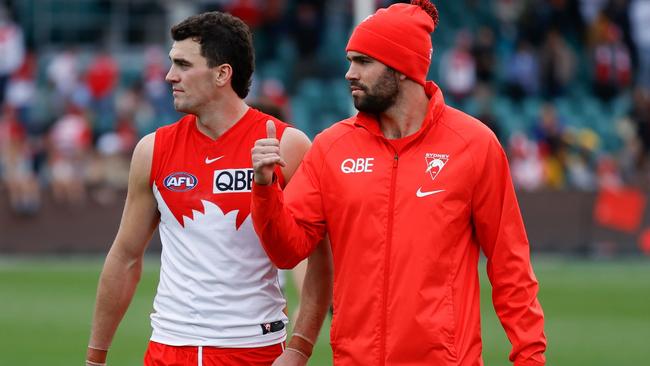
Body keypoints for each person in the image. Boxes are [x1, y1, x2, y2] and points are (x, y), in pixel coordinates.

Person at [250, 1, 547, 365]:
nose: (349, 73)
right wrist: (265, 189)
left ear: (403, 68)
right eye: (349, 61)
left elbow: (509, 266)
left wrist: (530, 358)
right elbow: (286, 250)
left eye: (363, 61)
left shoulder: (474, 145)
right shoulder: (331, 147)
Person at [85, 11, 332, 366]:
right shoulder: (153, 150)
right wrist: (95, 358)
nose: (170, 76)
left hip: (254, 349)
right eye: (172, 64)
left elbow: (319, 256)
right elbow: (125, 258)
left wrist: (300, 347)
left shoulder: (288, 145)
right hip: (168, 349)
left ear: (222, 74)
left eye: (183, 65)